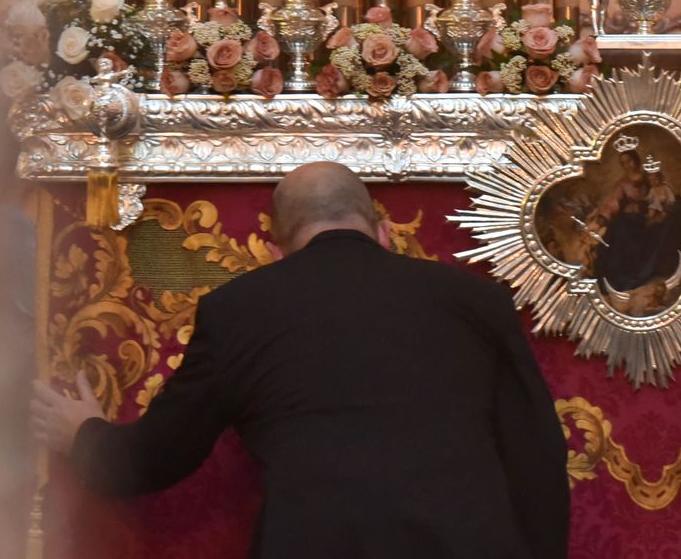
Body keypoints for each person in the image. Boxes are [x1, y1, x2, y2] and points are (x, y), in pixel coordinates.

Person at [31, 162, 570, 559]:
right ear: (383, 233)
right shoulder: (477, 301)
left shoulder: (238, 310)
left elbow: (155, 459)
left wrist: (84, 435)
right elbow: (539, 459)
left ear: (276, 251)